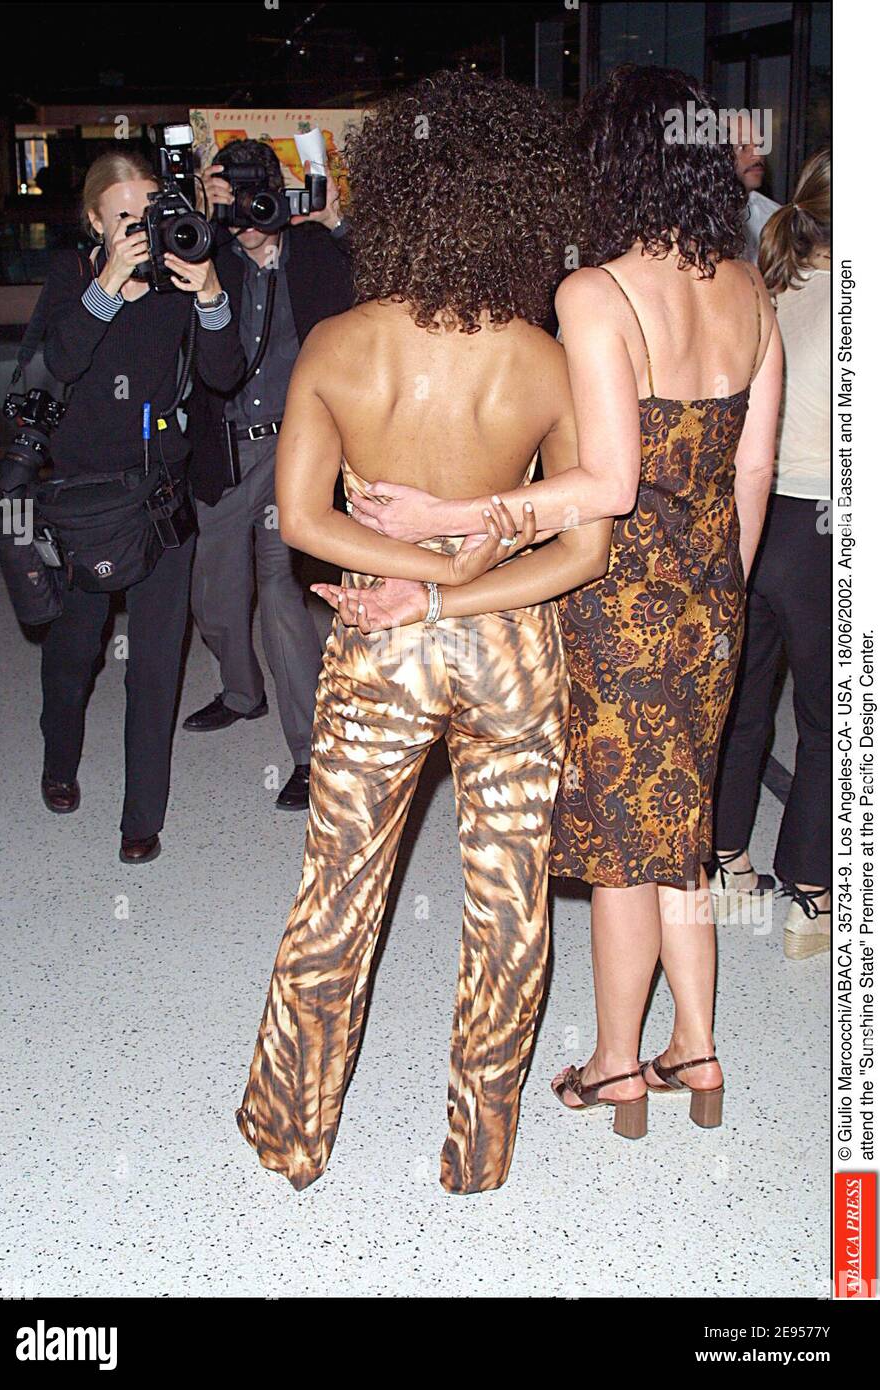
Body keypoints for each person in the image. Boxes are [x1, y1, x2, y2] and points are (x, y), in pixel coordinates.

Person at [348, 64, 783, 1136]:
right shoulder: (748, 289)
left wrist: (459, 514)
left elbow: (608, 484)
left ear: (613, 164)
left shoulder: (597, 292)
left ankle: (615, 1065)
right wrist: (713, 593)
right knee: (675, 833)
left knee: (621, 854)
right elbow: (751, 475)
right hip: (708, 602)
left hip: (613, 602)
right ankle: (698, 1048)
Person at [235, 69, 613, 1194]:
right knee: (509, 902)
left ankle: (292, 1137)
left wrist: (407, 583)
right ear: (522, 205)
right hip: (508, 647)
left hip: (379, 652)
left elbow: (302, 521)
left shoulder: (340, 344)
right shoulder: (542, 359)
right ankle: (477, 1152)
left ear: (392, 196)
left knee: (337, 889)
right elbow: (581, 546)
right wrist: (456, 573)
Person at [39, 150, 245, 863]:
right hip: (86, 504)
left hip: (161, 503)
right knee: (74, 653)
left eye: (150, 212)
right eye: (123, 216)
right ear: (95, 220)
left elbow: (224, 374)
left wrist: (212, 293)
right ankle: (59, 761)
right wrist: (107, 287)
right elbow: (58, 364)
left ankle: (140, 820)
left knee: (155, 666)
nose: (140, 229)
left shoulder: (180, 279)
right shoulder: (71, 281)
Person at [182, 139, 353, 811]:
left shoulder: (312, 250)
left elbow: (384, 273)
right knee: (216, 599)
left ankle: (310, 754)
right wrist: (203, 218)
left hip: (298, 450)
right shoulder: (207, 253)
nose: (250, 213)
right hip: (227, 452)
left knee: (282, 594)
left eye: (261, 195)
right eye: (236, 196)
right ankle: (240, 693)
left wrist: (334, 221)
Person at [712, 148, 831, 959]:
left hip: (751, 514)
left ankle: (727, 868)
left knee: (743, 702)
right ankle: (811, 899)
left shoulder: (763, 283)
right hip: (828, 525)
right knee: (834, 719)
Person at [734, 113, 781, 264]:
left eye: (760, 146)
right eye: (743, 147)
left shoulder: (775, 218)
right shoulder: (697, 218)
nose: (758, 155)